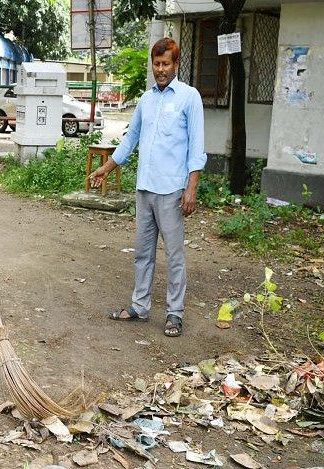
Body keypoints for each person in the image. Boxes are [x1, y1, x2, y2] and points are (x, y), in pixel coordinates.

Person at [89, 37, 206, 338]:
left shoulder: (189, 98)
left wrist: (190, 188)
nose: (160, 69)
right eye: (156, 64)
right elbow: (131, 139)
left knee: (174, 256)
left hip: (171, 191)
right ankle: (140, 307)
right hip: (145, 190)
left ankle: (174, 314)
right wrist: (107, 166)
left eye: (166, 63)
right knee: (143, 253)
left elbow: (197, 148)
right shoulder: (146, 100)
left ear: (176, 65)